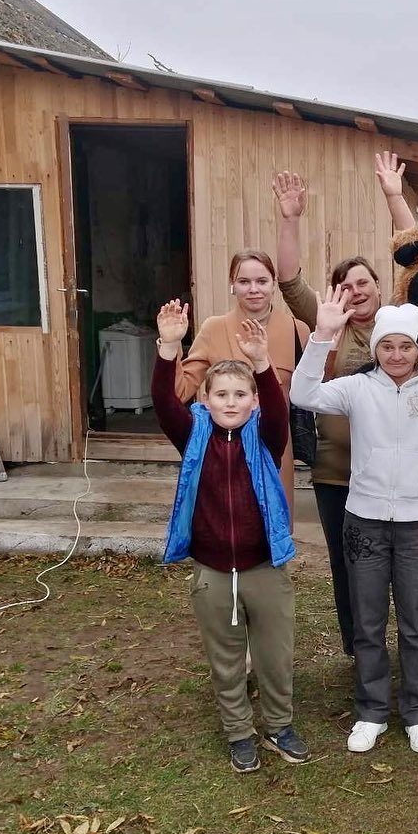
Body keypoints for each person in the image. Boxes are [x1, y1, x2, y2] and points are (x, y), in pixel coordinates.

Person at [290, 288, 418, 755]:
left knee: (416, 621)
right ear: (375, 348)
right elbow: (303, 394)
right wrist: (321, 337)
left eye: (405, 346)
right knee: (367, 622)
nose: (396, 355)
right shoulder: (358, 388)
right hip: (364, 522)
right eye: (387, 346)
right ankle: (372, 711)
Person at [153, 301, 308, 774]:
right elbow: (164, 404)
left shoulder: (267, 436)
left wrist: (261, 363)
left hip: (265, 568)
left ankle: (279, 724)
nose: (231, 401)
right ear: (205, 400)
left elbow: (279, 411)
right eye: (221, 394)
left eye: (241, 394)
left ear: (253, 401)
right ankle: (239, 732)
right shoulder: (192, 436)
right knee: (225, 659)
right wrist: (169, 347)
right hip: (213, 572)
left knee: (275, 656)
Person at [273, 154, 414, 658]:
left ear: (378, 285)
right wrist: (290, 219)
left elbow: (417, 257)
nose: (355, 292)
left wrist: (394, 196)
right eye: (346, 285)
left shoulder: (400, 322)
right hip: (337, 474)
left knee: (403, 567)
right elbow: (289, 281)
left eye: (363, 282)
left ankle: (412, 645)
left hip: (397, 473)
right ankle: (360, 650)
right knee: (347, 564)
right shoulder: (328, 321)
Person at [172, 250, 310, 509]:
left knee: (273, 525)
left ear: (274, 284)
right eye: (244, 282)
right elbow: (180, 391)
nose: (253, 289)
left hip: (274, 448)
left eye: (262, 281)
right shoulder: (214, 328)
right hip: (223, 449)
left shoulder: (297, 330)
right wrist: (171, 345)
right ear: (232, 285)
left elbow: (312, 391)